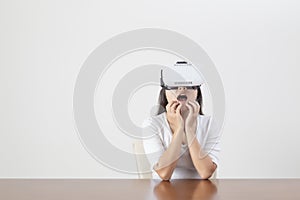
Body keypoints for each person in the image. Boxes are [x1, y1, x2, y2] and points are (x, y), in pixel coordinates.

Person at [142, 61, 221, 180]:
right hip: (162, 192)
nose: (181, 91)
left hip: (200, 193)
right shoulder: (152, 124)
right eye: (174, 87)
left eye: (188, 87)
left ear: (197, 93)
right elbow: (164, 174)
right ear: (165, 92)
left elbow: (205, 172)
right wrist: (179, 129)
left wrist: (189, 129)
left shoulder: (210, 124)